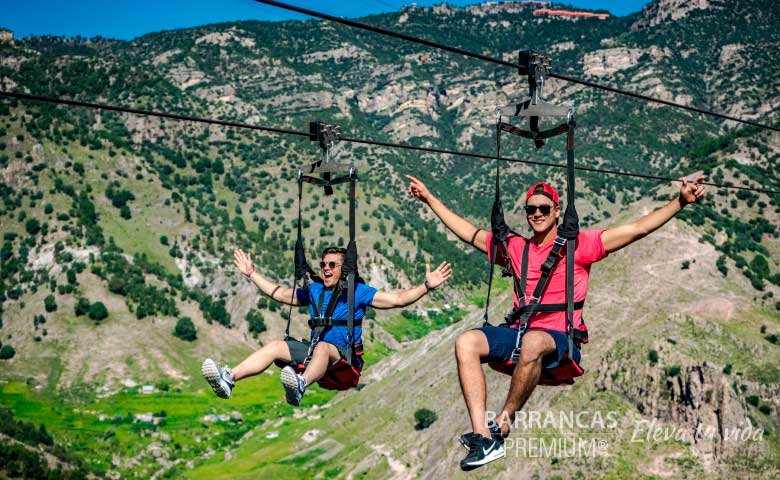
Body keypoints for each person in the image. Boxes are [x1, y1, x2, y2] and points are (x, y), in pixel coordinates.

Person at [406, 174, 705, 470]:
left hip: (559, 338)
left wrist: (679, 202)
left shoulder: (580, 246)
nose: (537, 214)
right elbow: (470, 233)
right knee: (466, 342)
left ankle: (503, 425)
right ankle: (483, 436)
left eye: (544, 209)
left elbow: (637, 229)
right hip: (521, 335)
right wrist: (430, 199)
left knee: (534, 340)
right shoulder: (516, 249)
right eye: (531, 209)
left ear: (557, 211)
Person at [202, 246, 452, 406]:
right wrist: (251, 273)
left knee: (323, 346)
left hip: (343, 358)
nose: (326, 268)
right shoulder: (314, 290)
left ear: (344, 269)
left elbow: (397, 300)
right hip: (316, 354)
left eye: (332, 265)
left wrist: (426, 287)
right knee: (277, 346)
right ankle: (229, 378)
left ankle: (300, 384)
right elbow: (280, 294)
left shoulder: (358, 292)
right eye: (323, 264)